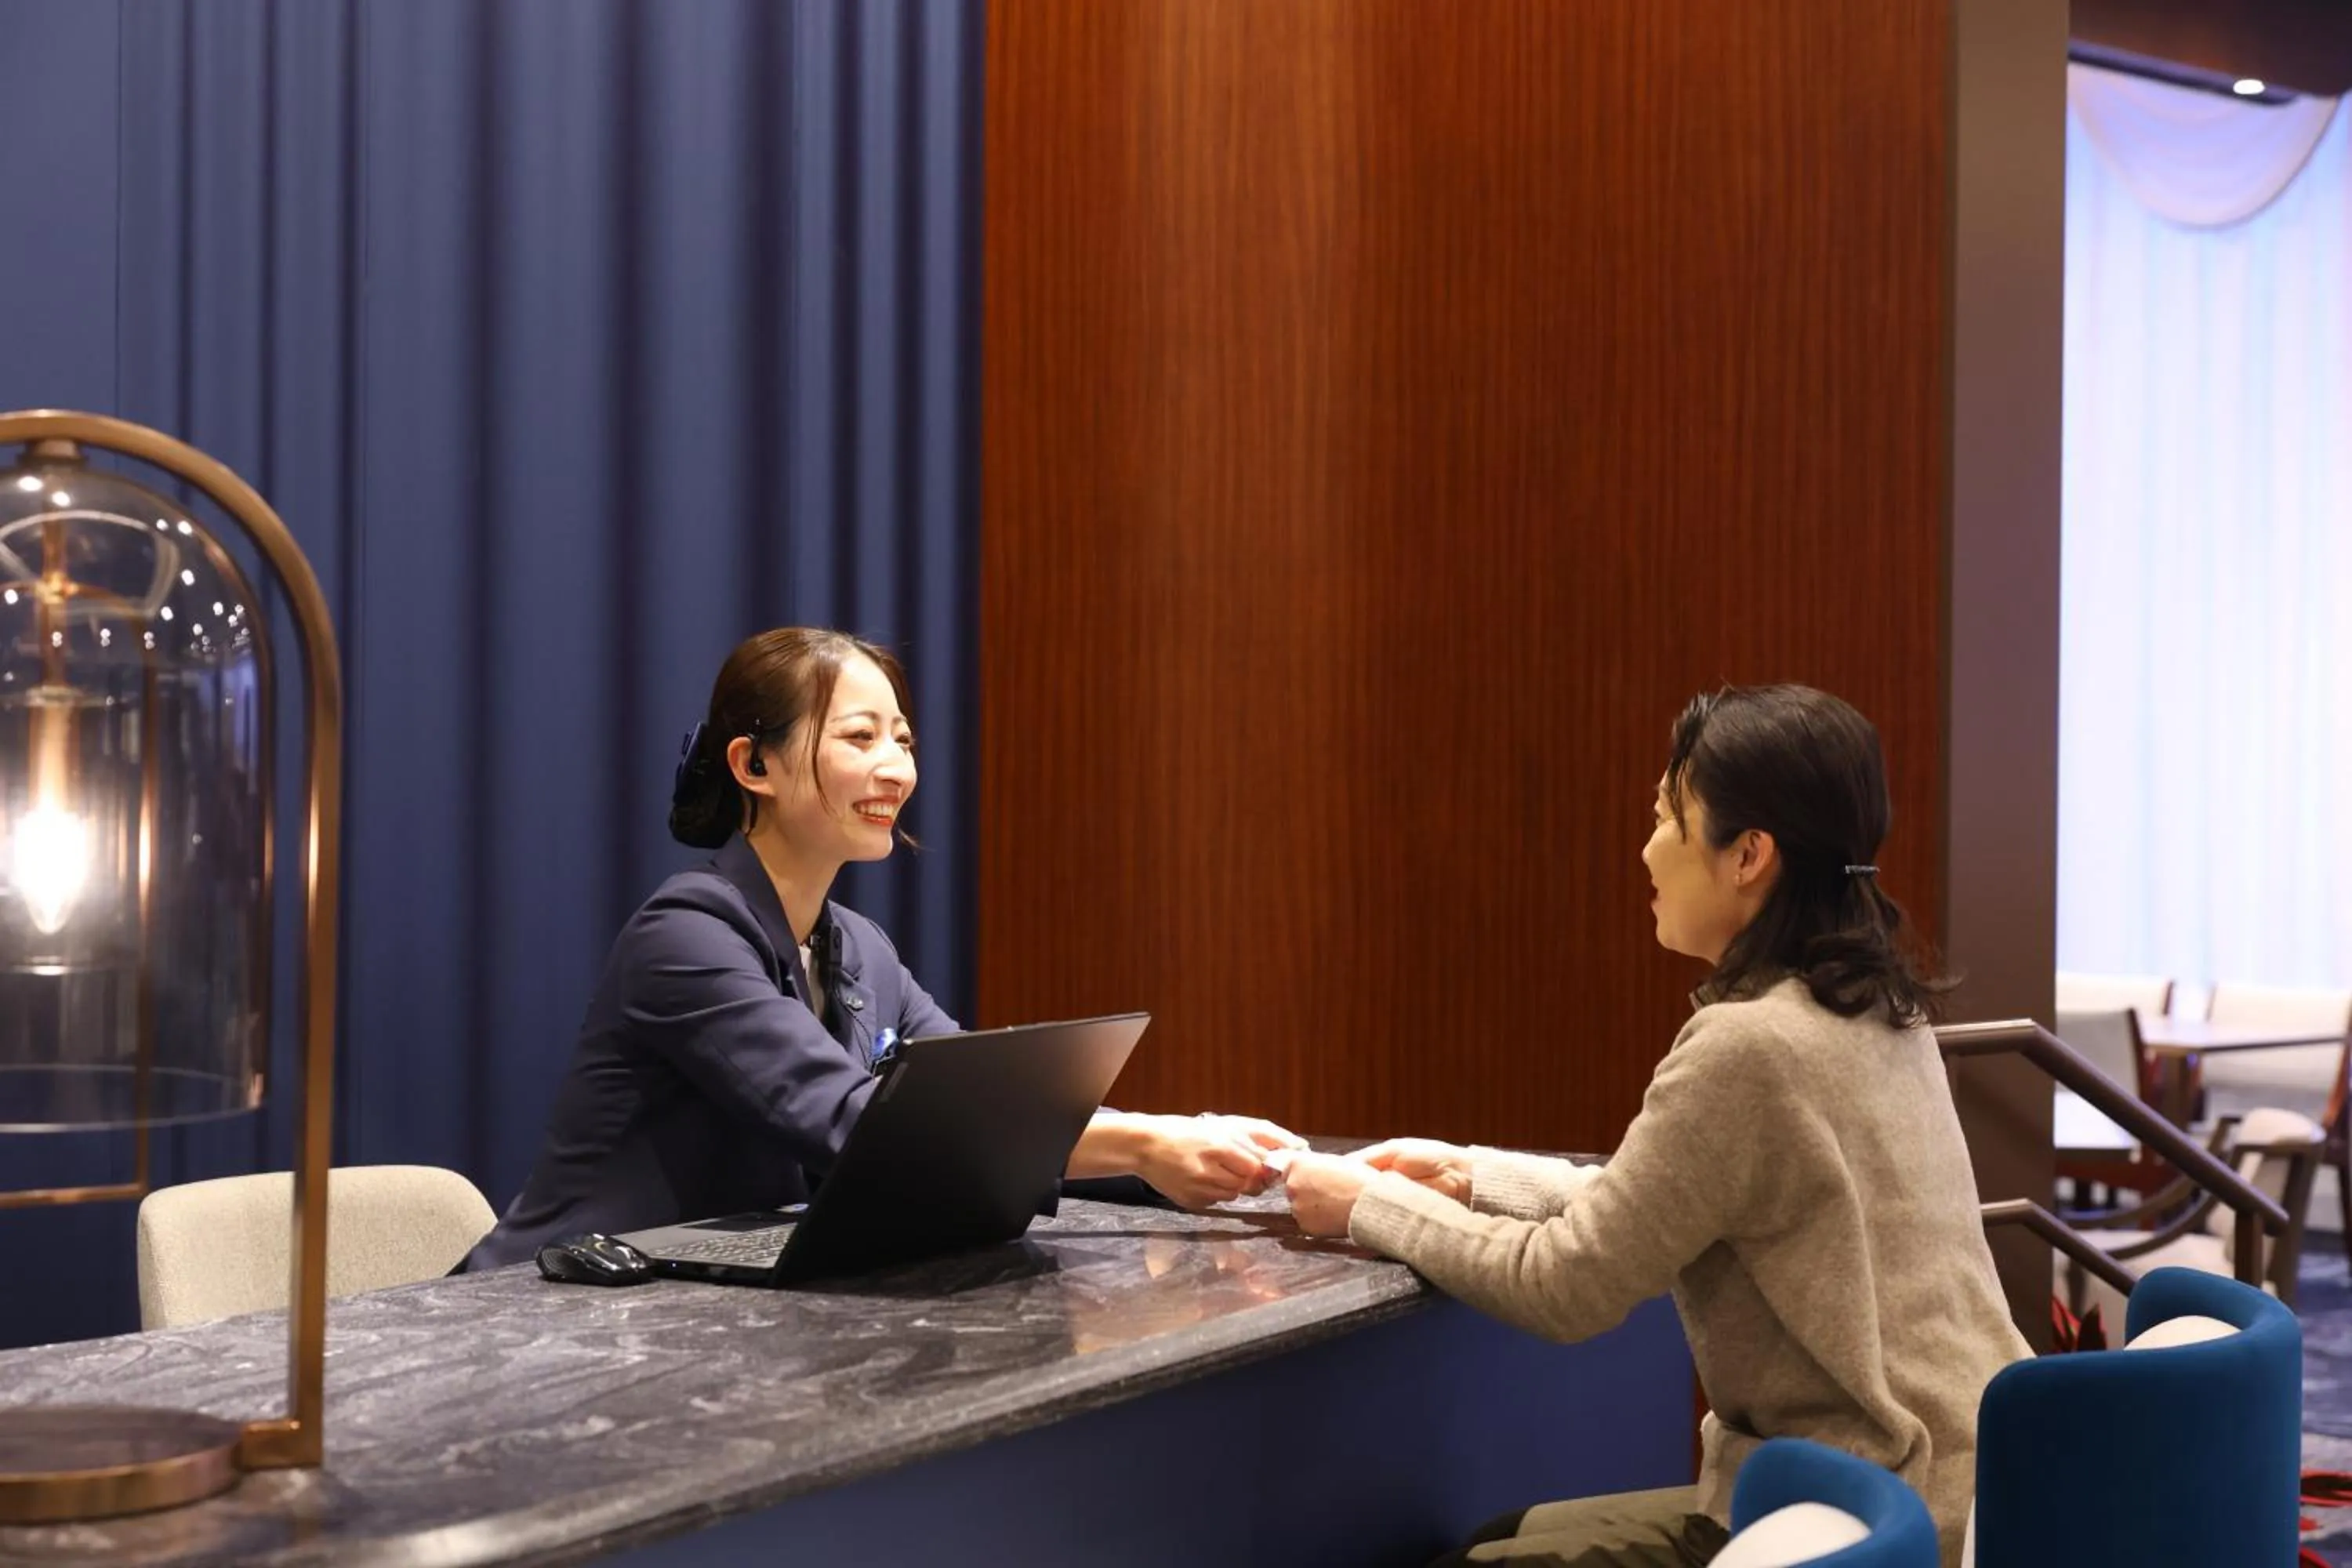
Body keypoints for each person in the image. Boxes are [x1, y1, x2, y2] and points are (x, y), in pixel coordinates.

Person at [1279, 684, 2027, 1568]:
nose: (1646, 850)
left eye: (1667, 818)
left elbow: (1565, 1285)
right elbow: (1681, 1198)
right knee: (1499, 1537)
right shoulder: (1877, 1012)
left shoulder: (1746, 1047)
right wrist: (1473, 1176)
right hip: (1972, 1491)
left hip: (1850, 1506)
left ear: (1749, 854)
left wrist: (1364, 1202)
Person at [466, 627, 1300, 1270]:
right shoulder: (684, 933)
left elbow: (980, 1099)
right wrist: (1146, 1145)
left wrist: (1186, 1136)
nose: (896, 767)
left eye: (902, 739)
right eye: (861, 737)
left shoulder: (859, 947)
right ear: (754, 763)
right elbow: (867, 1125)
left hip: (689, 1325)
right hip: (543, 1320)